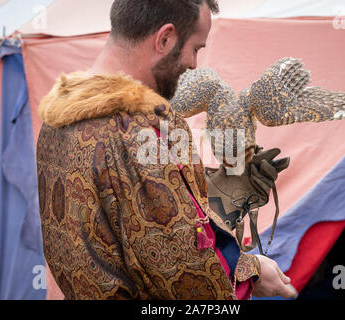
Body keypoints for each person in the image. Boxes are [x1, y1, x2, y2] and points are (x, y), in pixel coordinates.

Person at [36, 0, 298, 300]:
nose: (193, 63)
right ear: (165, 39)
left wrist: (212, 195)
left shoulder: (55, 123)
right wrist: (249, 272)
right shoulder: (143, 129)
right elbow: (185, 274)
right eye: (196, 48)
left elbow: (125, 230)